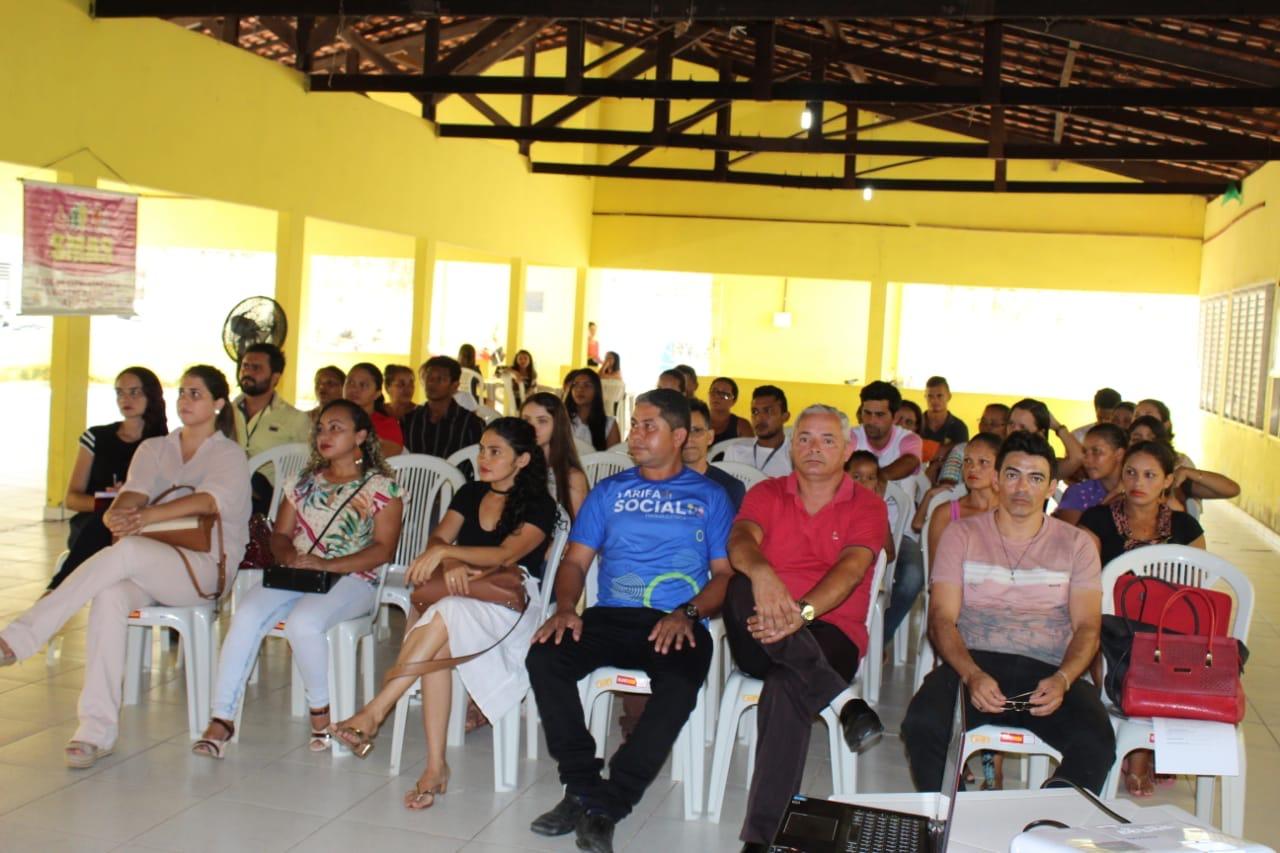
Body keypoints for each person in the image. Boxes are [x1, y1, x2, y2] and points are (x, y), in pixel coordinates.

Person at [0, 366, 251, 768]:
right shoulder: (155, 449)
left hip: (203, 570)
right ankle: (94, 732)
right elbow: (132, 494)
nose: (186, 401)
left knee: (129, 550)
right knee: (110, 594)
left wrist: (145, 518)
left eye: (197, 394)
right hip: (152, 561)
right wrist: (116, 516)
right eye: (182, 392)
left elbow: (208, 502)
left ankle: (21, 637)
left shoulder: (229, 455)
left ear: (219, 404)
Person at [525, 389, 734, 853]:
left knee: (679, 683)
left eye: (648, 426)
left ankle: (607, 804)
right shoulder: (611, 491)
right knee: (545, 658)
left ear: (679, 436)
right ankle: (581, 786)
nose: (635, 434)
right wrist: (565, 608)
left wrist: (689, 613)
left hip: (674, 620)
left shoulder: (710, 497)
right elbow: (576, 563)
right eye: (634, 424)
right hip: (610, 616)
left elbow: (724, 575)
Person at [328, 418, 558, 808]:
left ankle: (374, 712)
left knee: (444, 612)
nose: (483, 458)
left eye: (495, 452)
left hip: (511, 607)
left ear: (522, 460)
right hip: (462, 595)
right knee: (441, 631)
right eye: (482, 449)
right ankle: (434, 765)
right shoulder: (471, 492)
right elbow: (439, 537)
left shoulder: (539, 504)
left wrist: (449, 553)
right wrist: (448, 562)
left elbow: (505, 555)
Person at [901, 431, 1114, 795]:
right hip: (974, 664)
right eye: (1013, 474)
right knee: (921, 724)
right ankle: (956, 823)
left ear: (1050, 488)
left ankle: (1043, 827)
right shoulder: (961, 535)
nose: (1022, 488)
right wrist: (971, 675)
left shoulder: (1076, 544)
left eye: (1035, 479)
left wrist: (1063, 680)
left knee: (1096, 742)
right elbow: (941, 619)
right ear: (997, 479)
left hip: (1048, 670)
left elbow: (1088, 627)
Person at [193, 399, 403, 757]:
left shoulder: (383, 489)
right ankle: (222, 719)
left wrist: (326, 565)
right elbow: (279, 535)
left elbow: (383, 550)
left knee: (304, 622)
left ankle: (321, 715)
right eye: (321, 427)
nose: (325, 434)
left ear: (361, 436)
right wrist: (291, 557)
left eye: (336, 428)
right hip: (300, 573)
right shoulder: (302, 483)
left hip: (354, 578)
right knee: (244, 614)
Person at [724, 405, 887, 850]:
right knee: (739, 585)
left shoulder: (867, 504)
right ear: (792, 445)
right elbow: (740, 541)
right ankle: (843, 700)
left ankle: (763, 839)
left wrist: (802, 613)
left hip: (831, 632)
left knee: (785, 684)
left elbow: (852, 570)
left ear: (849, 448)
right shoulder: (767, 493)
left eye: (828, 440)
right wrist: (762, 574)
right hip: (759, 628)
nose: (814, 448)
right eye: (805, 438)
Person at [1078, 439, 1206, 797]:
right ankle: (1133, 751)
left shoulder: (1186, 529)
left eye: (1150, 475)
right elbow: (1084, 578)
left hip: (1166, 630)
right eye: (1131, 472)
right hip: (1109, 621)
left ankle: (1140, 751)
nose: (1138, 482)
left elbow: (1197, 592)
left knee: (1160, 649)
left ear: (1167, 481)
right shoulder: (1098, 519)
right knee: (1114, 645)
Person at [49, 367, 169, 591]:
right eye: (120, 393)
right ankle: (59, 588)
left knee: (124, 530)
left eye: (134, 392)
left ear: (150, 396)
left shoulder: (163, 443)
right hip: (94, 521)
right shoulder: (96, 437)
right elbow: (72, 499)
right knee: (105, 522)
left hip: (141, 521)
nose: (126, 399)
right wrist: (109, 502)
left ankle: (57, 591)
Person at [233, 343, 313, 515]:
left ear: (275, 377)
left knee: (255, 479)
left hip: (269, 500)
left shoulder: (296, 419)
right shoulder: (224, 413)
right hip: (227, 490)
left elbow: (311, 469)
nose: (247, 372)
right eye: (245, 366)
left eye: (256, 368)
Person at [521, 392, 589, 520]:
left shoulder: (572, 477)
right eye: (526, 420)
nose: (532, 427)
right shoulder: (515, 467)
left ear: (557, 425)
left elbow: (579, 531)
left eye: (542, 421)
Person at [401, 356, 485, 459]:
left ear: (454, 386)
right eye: (429, 377)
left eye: (440, 379)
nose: (432, 383)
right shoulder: (410, 420)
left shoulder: (470, 424)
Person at [1053, 423, 1128, 526]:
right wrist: (1112, 497)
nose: (1087, 460)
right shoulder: (1078, 492)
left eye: (1096, 451)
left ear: (1119, 454)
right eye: (1085, 452)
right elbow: (1070, 538)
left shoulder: (1137, 490)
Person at [848, 380, 921, 481]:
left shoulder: (909, 439)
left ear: (894, 417)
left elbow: (910, 462)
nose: (872, 421)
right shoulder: (851, 435)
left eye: (880, 415)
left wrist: (874, 480)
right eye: (867, 413)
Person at [685, 399, 746, 511]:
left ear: (710, 437)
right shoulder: (657, 485)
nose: (689, 439)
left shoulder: (730, 488)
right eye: (683, 431)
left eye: (696, 430)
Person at [932, 403, 1011, 487]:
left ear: (1008, 427)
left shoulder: (1013, 455)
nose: (986, 427)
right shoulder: (962, 450)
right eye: (983, 421)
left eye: (994, 424)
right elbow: (946, 485)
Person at [724, 385, 792, 477]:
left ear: (785, 417)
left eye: (768, 411)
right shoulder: (736, 451)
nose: (759, 418)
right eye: (755, 412)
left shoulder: (796, 454)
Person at [1010, 397, 1084, 481]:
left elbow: (1078, 456)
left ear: (1040, 434)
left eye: (1023, 427)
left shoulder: (1047, 465)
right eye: (1011, 424)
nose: (1014, 431)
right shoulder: (994, 453)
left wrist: (1058, 427)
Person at [845, 450, 897, 564]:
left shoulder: (877, 511)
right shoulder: (834, 506)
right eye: (857, 477)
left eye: (870, 478)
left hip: (864, 569)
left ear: (876, 482)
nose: (864, 483)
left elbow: (890, 554)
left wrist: (864, 560)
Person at [345, 362, 404, 457]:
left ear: (377, 393)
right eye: (350, 382)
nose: (354, 389)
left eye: (363, 385)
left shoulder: (387, 424)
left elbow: (389, 455)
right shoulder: (332, 420)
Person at [566, 367, 621, 451]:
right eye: (575, 384)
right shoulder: (563, 420)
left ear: (597, 390)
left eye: (587, 385)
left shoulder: (609, 424)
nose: (580, 389)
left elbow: (613, 459)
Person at [920, 376, 969, 450]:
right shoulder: (916, 423)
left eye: (939, 396)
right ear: (925, 397)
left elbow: (962, 455)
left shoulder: (959, 427)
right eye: (930, 396)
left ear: (949, 396)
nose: (934, 400)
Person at [708, 376, 754, 443]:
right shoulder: (697, 420)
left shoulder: (742, 426)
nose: (717, 396)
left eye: (725, 394)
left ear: (734, 401)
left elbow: (750, 451)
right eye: (714, 392)